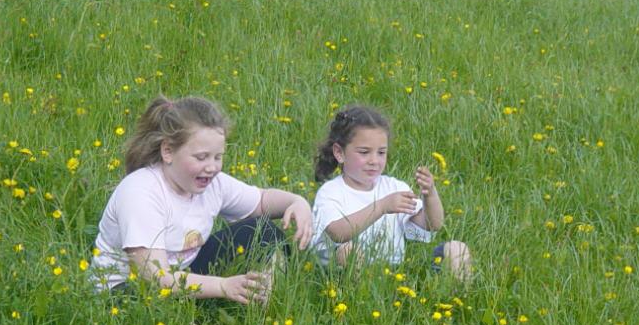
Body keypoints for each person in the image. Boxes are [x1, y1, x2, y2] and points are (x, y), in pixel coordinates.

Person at [91, 96, 313, 304]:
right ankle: (216, 302)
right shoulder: (140, 192)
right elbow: (153, 278)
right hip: (129, 290)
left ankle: (265, 295)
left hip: (185, 273)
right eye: (201, 157)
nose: (212, 167)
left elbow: (261, 202)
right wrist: (222, 286)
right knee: (138, 304)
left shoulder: (213, 183)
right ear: (168, 151)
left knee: (264, 230)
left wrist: (296, 202)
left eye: (218, 157)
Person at [311, 105, 471, 278]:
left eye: (381, 153)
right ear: (339, 153)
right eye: (364, 152)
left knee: (457, 249)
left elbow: (433, 224)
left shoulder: (394, 187)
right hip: (341, 276)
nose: (374, 160)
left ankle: (458, 302)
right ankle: (358, 299)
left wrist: (430, 195)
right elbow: (337, 232)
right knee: (349, 250)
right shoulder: (331, 192)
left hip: (394, 275)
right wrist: (381, 207)